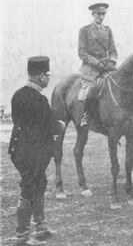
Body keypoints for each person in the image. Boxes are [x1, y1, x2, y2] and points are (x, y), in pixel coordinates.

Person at [8, 56, 62, 245]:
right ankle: (22, 235)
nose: (48, 78)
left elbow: (21, 123)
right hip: (32, 153)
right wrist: (59, 125)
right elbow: (47, 125)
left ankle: (40, 228)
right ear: (40, 76)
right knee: (30, 187)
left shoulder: (17, 95)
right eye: (46, 75)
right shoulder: (39, 99)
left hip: (19, 150)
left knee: (40, 182)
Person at [78, 3, 118, 126]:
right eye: (98, 14)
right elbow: (82, 52)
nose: (101, 16)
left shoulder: (107, 30)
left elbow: (113, 49)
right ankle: (87, 115)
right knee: (91, 90)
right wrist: (97, 63)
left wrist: (111, 61)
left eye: (103, 14)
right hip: (91, 67)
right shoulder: (85, 30)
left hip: (106, 66)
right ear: (93, 14)